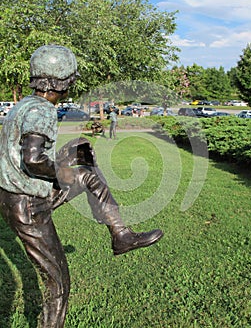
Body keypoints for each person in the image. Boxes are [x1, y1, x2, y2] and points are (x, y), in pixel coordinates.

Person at [0, 45, 163, 328]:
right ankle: (120, 236)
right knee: (58, 282)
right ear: (60, 82)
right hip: (28, 203)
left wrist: (65, 159)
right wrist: (61, 172)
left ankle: (120, 233)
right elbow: (33, 158)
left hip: (13, 194)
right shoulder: (42, 112)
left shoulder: (24, 105)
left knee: (82, 152)